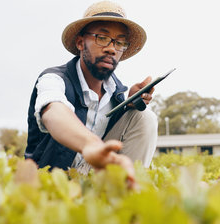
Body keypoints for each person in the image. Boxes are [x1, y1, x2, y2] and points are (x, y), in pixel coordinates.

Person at [25, 1, 158, 180]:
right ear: (80, 43)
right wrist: (91, 145)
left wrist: (128, 104)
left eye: (119, 42)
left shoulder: (116, 94)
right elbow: (53, 112)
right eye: (102, 38)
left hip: (93, 173)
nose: (111, 48)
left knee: (144, 117)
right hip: (52, 178)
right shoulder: (54, 78)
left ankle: (129, 192)